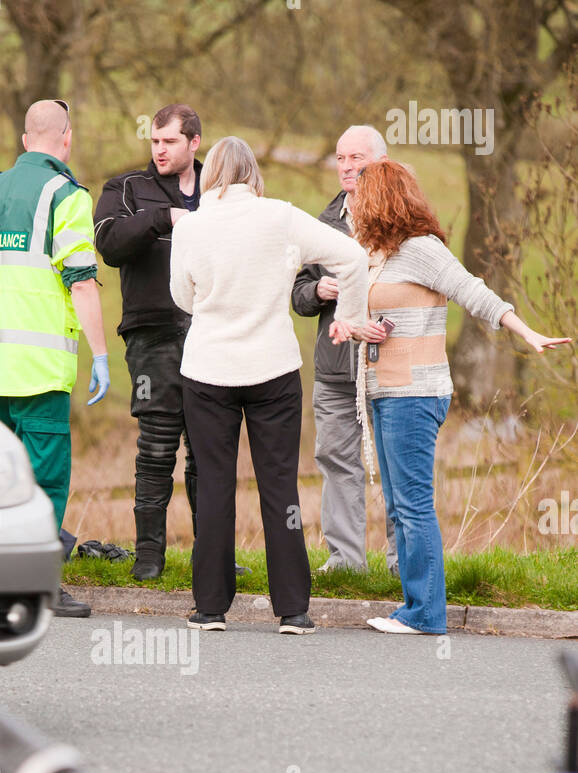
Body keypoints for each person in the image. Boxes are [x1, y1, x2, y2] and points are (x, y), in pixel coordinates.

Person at [330, 159, 571, 635]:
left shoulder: (422, 249)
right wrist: (357, 328)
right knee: (399, 505)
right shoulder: (381, 255)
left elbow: (472, 292)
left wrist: (526, 331)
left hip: (414, 394)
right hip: (384, 392)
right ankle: (413, 607)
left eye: (361, 193)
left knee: (414, 504)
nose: (353, 202)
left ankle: (426, 614)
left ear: (383, 198)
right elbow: (367, 317)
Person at [169, 137, 368, 634]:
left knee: (213, 485)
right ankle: (294, 610)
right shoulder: (283, 216)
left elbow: (182, 298)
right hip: (273, 369)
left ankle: (210, 607)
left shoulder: (191, 225)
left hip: (208, 369)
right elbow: (354, 259)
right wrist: (349, 317)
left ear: (210, 171)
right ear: (253, 173)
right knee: (280, 487)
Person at [0, 98, 110, 618]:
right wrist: (100, 353)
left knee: (5, 478)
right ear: (67, 138)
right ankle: (40, 586)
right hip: (42, 369)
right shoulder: (66, 195)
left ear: (23, 140)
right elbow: (81, 282)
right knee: (47, 479)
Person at [95, 104, 203, 581]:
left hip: (213, 334)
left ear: (194, 143)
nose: (159, 150)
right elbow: (111, 244)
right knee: (157, 447)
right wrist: (165, 218)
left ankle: (213, 557)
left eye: (169, 142)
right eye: (155, 142)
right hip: (152, 333)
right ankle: (148, 558)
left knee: (208, 450)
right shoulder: (125, 189)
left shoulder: (222, 192)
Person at [291, 125, 397, 574]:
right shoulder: (322, 224)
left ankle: (402, 561)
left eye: (357, 158)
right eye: (340, 158)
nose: (348, 166)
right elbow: (295, 294)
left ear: (380, 163)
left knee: (397, 467)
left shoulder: (402, 221)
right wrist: (318, 290)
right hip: (335, 368)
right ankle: (347, 561)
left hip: (391, 363)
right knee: (335, 459)